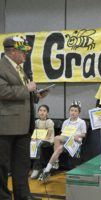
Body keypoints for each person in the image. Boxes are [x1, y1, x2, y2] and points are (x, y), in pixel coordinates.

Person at [0, 35, 47, 200]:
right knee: (2, 166)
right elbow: (3, 92)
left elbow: (23, 93)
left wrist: (36, 95)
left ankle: (23, 195)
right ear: (12, 51)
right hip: (5, 127)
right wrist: (26, 89)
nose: (25, 55)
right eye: (23, 52)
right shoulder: (1, 67)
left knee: (22, 165)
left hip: (23, 126)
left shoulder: (21, 69)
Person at [39, 101, 86, 182]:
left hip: (75, 142)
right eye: (71, 110)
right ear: (69, 111)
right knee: (59, 148)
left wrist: (77, 135)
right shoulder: (66, 122)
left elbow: (84, 134)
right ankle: (47, 170)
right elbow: (63, 134)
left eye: (75, 111)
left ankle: (56, 162)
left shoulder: (81, 122)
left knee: (57, 138)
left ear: (79, 113)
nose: (73, 112)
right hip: (65, 141)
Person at [30, 105, 54, 179]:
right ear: (37, 112)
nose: (42, 112)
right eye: (40, 110)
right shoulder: (36, 122)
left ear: (47, 113)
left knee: (38, 144)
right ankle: (29, 167)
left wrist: (39, 139)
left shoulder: (49, 122)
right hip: (38, 139)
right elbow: (34, 134)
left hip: (48, 140)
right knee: (31, 144)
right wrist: (33, 139)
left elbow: (49, 135)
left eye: (44, 110)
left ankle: (36, 168)